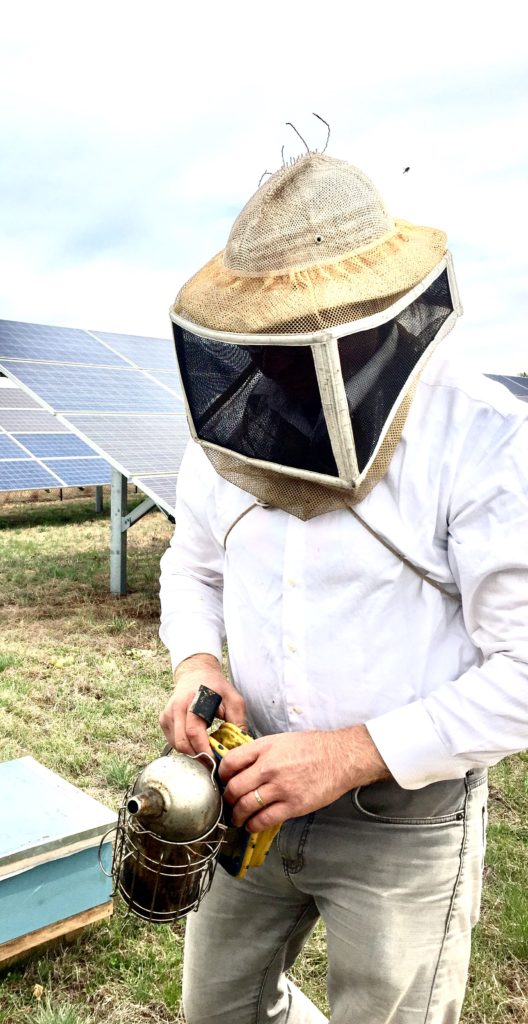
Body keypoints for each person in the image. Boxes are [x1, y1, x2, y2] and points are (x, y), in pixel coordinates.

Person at [158, 151, 528, 1024]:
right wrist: (196, 661)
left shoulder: (484, 438)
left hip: (402, 815)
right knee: (219, 1007)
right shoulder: (228, 434)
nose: (272, 362)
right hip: (246, 792)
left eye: (299, 333)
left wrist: (349, 753)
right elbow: (194, 565)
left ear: (374, 318)